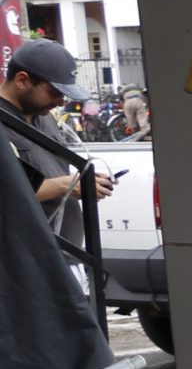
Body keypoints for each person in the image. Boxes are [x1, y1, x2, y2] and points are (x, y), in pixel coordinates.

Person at [0, 38, 115, 288]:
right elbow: (10, 189)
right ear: (21, 80)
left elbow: (47, 172)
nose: (61, 102)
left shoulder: (44, 116)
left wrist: (84, 184)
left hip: (65, 256)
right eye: (54, 92)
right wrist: (67, 185)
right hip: (25, 264)